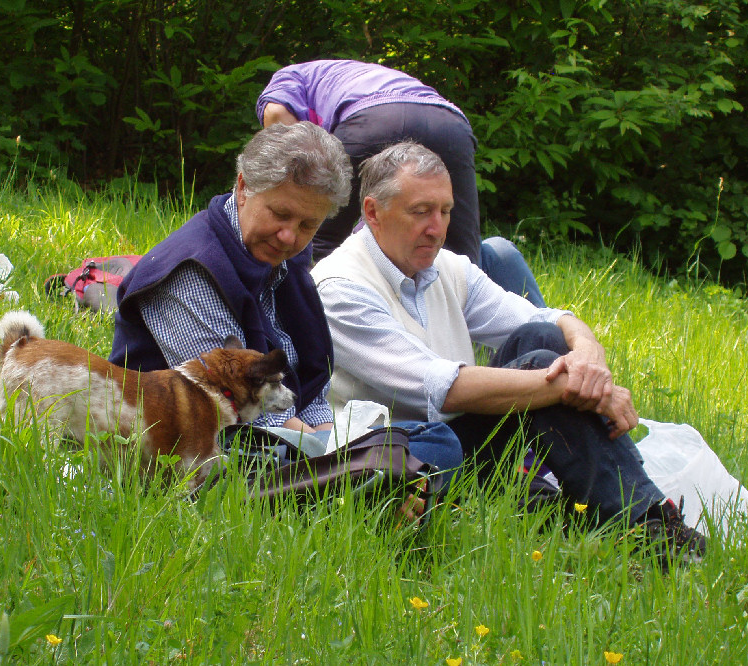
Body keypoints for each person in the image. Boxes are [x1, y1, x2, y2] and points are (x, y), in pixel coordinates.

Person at [310, 141, 706, 564]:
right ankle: (645, 525)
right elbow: (442, 388)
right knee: (545, 369)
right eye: (421, 211)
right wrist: (568, 385)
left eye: (445, 211)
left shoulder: (446, 266)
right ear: (373, 212)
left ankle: (619, 517)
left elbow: (546, 319)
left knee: (546, 342)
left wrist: (591, 361)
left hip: (459, 437)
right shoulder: (341, 287)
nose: (437, 227)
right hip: (403, 462)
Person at [108, 122, 463, 499]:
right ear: (243, 187)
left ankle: (376, 492)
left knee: (430, 441)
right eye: (280, 214)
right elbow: (237, 410)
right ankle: (376, 493)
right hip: (197, 450)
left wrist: (329, 439)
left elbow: (311, 385)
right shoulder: (190, 270)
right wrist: (336, 452)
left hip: (273, 440)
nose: (290, 236)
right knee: (430, 443)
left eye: (308, 224)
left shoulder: (281, 258)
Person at [257, 59, 545, 306]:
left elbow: (277, 118)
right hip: (448, 122)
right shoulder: (353, 73)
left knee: (322, 246)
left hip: (371, 118)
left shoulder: (286, 77)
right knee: (461, 259)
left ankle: (317, 328)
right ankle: (488, 335)